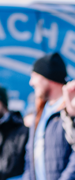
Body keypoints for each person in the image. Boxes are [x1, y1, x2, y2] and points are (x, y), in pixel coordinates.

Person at [22, 52, 75, 180]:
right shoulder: (40, 112)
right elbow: (30, 157)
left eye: (34, 76)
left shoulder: (70, 109)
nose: (31, 82)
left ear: (47, 77)